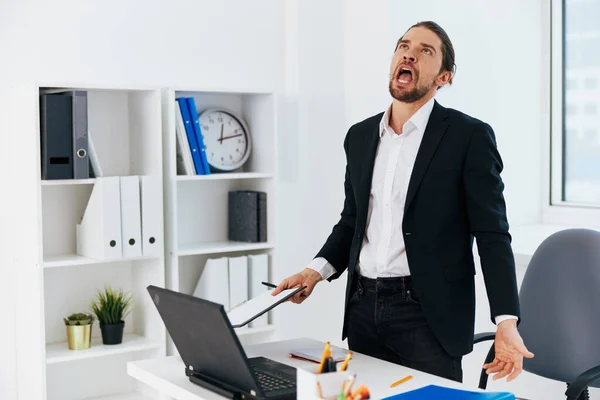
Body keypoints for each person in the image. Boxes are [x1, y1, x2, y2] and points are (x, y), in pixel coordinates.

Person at [272, 20, 534, 383]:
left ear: (444, 77)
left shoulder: (468, 137)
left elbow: (492, 234)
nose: (410, 52)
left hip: (427, 314)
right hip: (363, 305)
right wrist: (314, 271)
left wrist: (506, 321)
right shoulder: (360, 136)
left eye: (426, 51)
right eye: (403, 45)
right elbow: (353, 220)